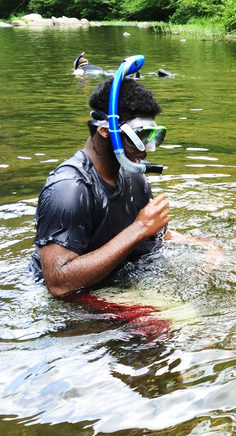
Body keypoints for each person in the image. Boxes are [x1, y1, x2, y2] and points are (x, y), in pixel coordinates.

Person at [29, 76, 215, 297]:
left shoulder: (132, 176)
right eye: (140, 136)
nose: (147, 149)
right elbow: (58, 283)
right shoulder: (68, 189)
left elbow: (152, 234)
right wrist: (138, 229)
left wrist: (201, 245)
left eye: (155, 136)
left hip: (118, 284)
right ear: (105, 130)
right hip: (71, 303)